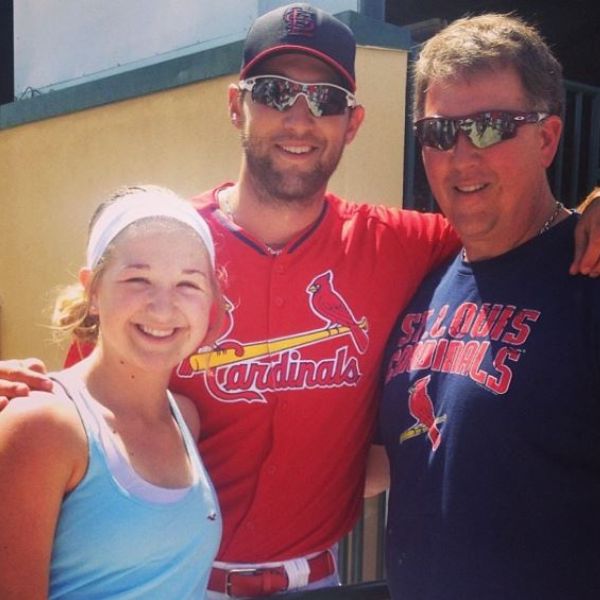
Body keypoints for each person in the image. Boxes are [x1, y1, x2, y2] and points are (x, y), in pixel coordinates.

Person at [0, 4, 599, 598]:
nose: (300, 119)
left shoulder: (408, 246)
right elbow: (82, 411)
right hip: (177, 585)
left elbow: (515, 231)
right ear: (237, 104)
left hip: (319, 579)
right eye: (275, 93)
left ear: (354, 122)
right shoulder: (170, 255)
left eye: (327, 100)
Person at [377, 13, 600, 600]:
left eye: (490, 128)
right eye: (437, 132)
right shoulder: (422, 284)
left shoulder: (590, 280)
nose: (460, 157)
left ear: (548, 138)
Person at [0, 185, 223, 599]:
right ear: (93, 291)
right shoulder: (44, 425)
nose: (162, 307)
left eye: (188, 285)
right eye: (138, 279)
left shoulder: (184, 418)